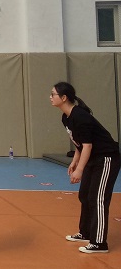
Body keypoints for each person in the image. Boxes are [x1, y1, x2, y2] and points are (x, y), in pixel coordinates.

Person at [51, 81, 120, 254]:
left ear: (64, 97)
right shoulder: (66, 117)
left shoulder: (80, 116)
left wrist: (80, 170)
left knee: (98, 199)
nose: (50, 97)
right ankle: (86, 233)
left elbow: (88, 145)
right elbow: (80, 144)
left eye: (53, 94)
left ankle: (99, 243)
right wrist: (75, 161)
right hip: (91, 158)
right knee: (85, 195)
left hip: (106, 158)